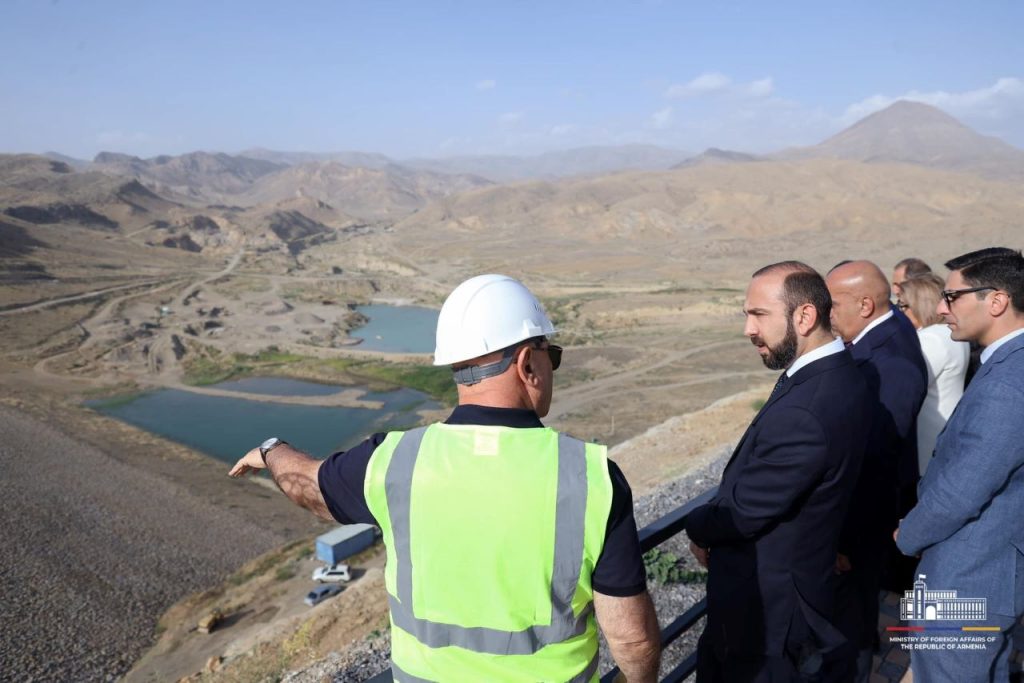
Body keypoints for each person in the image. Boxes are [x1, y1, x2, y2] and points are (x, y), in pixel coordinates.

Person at [229, 274, 661, 682]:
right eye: (554, 357)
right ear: (528, 363)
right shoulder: (590, 477)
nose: (553, 370)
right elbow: (631, 638)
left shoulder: (391, 460)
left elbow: (307, 484)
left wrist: (272, 450)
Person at [684, 261, 872, 682]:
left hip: (769, 612)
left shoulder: (808, 408)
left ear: (804, 316)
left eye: (759, 315)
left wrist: (697, 525)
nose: (748, 329)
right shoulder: (842, 374)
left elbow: (748, 510)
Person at [896, 247, 1024, 683]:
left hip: (972, 572)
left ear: (996, 300)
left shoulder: (1009, 381)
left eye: (952, 297)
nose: (942, 308)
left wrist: (907, 535)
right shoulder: (1004, 364)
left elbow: (965, 488)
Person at [825, 260, 927, 682]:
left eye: (832, 304)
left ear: (865, 304)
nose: (825, 313)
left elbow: (875, 460)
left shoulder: (889, 363)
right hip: (868, 515)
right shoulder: (889, 333)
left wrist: (843, 537)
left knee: (853, 614)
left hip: (863, 520)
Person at [896, 274, 969, 476]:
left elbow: (907, 386)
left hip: (928, 439)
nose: (900, 313)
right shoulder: (947, 332)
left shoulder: (930, 339)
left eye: (904, 306)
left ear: (920, 305)